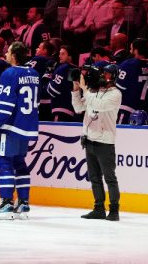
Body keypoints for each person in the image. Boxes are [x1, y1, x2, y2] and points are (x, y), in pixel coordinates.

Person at [0, 41, 40, 220]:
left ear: (14, 55)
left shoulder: (9, 73)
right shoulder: (34, 73)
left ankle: (6, 202)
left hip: (11, 127)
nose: (5, 54)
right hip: (28, 126)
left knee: (4, 162)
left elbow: (5, 106)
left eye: (8, 51)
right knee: (19, 163)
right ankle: (23, 203)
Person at [72, 63, 122, 221]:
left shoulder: (115, 94)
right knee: (94, 178)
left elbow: (98, 105)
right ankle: (98, 208)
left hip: (105, 142)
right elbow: (78, 108)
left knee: (109, 178)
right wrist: (76, 89)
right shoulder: (93, 91)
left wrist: (85, 89)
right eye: (102, 74)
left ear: (113, 77)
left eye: (106, 74)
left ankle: (114, 210)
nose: (103, 77)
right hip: (89, 140)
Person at [114, 38, 148, 124]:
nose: (130, 51)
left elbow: (119, 88)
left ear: (136, 50)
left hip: (127, 109)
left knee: (121, 135)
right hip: (145, 110)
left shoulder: (128, 64)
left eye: (131, 48)